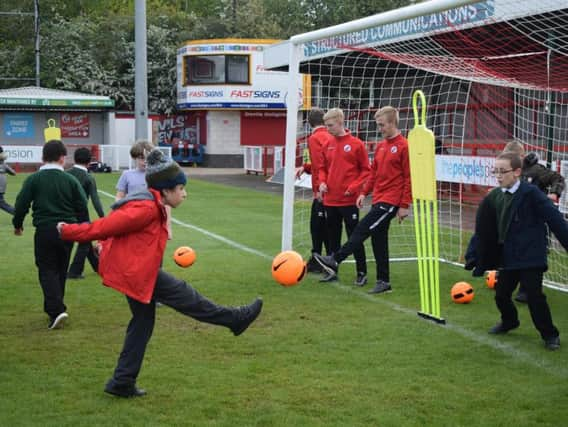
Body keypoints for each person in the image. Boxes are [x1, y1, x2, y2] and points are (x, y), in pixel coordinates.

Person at [57, 149, 263, 397]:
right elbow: (103, 226)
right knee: (188, 298)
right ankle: (234, 319)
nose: (184, 194)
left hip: (137, 271)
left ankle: (122, 381)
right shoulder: (145, 208)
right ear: (165, 190)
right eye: (180, 189)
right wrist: (67, 231)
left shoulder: (155, 203)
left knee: (142, 323)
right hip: (136, 273)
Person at [468, 151, 568, 350]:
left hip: (531, 255)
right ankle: (509, 321)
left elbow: (555, 220)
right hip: (509, 256)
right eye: (495, 171)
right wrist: (474, 253)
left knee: (534, 296)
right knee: (501, 294)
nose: (498, 175)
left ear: (516, 172)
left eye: (502, 171)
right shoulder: (494, 197)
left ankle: (550, 334)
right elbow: (483, 229)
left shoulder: (531, 194)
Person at [315, 106, 412, 294]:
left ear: (392, 123)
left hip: (391, 201)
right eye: (378, 125)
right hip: (378, 198)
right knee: (378, 239)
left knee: (361, 229)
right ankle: (384, 282)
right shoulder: (381, 145)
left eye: (382, 125)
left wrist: (404, 205)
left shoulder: (404, 146)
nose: (380, 128)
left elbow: (409, 177)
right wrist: (363, 193)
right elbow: (373, 173)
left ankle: (336, 259)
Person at [12, 140, 88, 329]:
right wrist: (84, 230)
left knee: (47, 270)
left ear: (43, 157)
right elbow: (81, 207)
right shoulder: (71, 180)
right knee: (61, 269)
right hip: (68, 230)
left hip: (45, 230)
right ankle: (56, 308)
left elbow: (21, 204)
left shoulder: (34, 179)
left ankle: (55, 310)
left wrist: (18, 224)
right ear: (63, 158)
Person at [502, 140, 566, 303]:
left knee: (535, 251)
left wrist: (554, 194)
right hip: (519, 220)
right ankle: (513, 282)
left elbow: (558, 179)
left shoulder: (536, 170)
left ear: (521, 156)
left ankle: (527, 289)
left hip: (538, 219)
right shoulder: (512, 173)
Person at [317, 108, 370, 285]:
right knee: (333, 238)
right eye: (326, 126)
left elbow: (366, 170)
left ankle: (361, 272)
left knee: (354, 237)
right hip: (330, 199)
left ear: (340, 123)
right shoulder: (327, 144)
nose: (328, 129)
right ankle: (332, 271)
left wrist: (354, 187)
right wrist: (322, 182)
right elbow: (322, 168)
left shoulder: (356, 144)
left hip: (348, 200)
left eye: (330, 125)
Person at [295, 108, 333, 273]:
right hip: (336, 187)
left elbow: (320, 164)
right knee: (328, 226)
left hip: (324, 190)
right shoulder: (331, 134)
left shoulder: (315, 137)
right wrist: (306, 167)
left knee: (317, 226)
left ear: (309, 122)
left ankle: (320, 259)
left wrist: (318, 190)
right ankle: (326, 257)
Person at [66, 147, 105, 279]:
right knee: (84, 242)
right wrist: (103, 217)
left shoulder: (66, 174)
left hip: (66, 213)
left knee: (86, 241)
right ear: (89, 162)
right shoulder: (88, 178)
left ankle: (98, 266)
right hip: (81, 214)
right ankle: (74, 271)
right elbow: (95, 200)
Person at [0, 146, 16, 215]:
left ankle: (17, 212)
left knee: (2, 204)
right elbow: (13, 173)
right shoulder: (4, 165)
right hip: (2, 187)